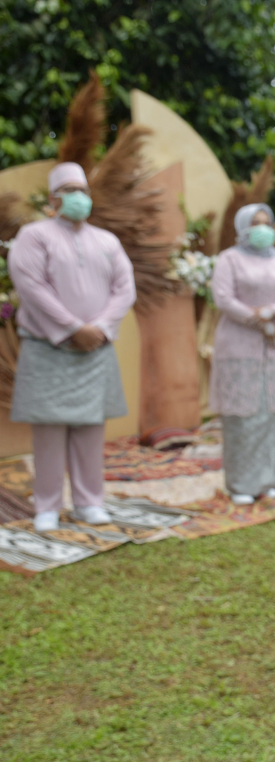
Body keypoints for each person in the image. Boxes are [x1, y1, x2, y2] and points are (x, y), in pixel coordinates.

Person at [7, 162, 137, 533]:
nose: (79, 196)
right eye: (70, 190)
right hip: (48, 347)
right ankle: (47, 505)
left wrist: (99, 327)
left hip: (96, 348)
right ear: (53, 199)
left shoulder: (107, 241)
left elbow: (124, 288)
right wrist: (70, 328)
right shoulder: (34, 236)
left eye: (83, 189)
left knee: (90, 428)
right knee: (48, 430)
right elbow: (31, 287)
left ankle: (89, 502)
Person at [209, 204, 275, 506]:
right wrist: (256, 319)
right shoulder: (230, 259)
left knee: (272, 416)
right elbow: (223, 298)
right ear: (242, 228)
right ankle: (240, 483)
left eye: (267, 223)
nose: (262, 229)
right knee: (242, 416)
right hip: (239, 345)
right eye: (255, 223)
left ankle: (268, 479)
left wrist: (271, 313)